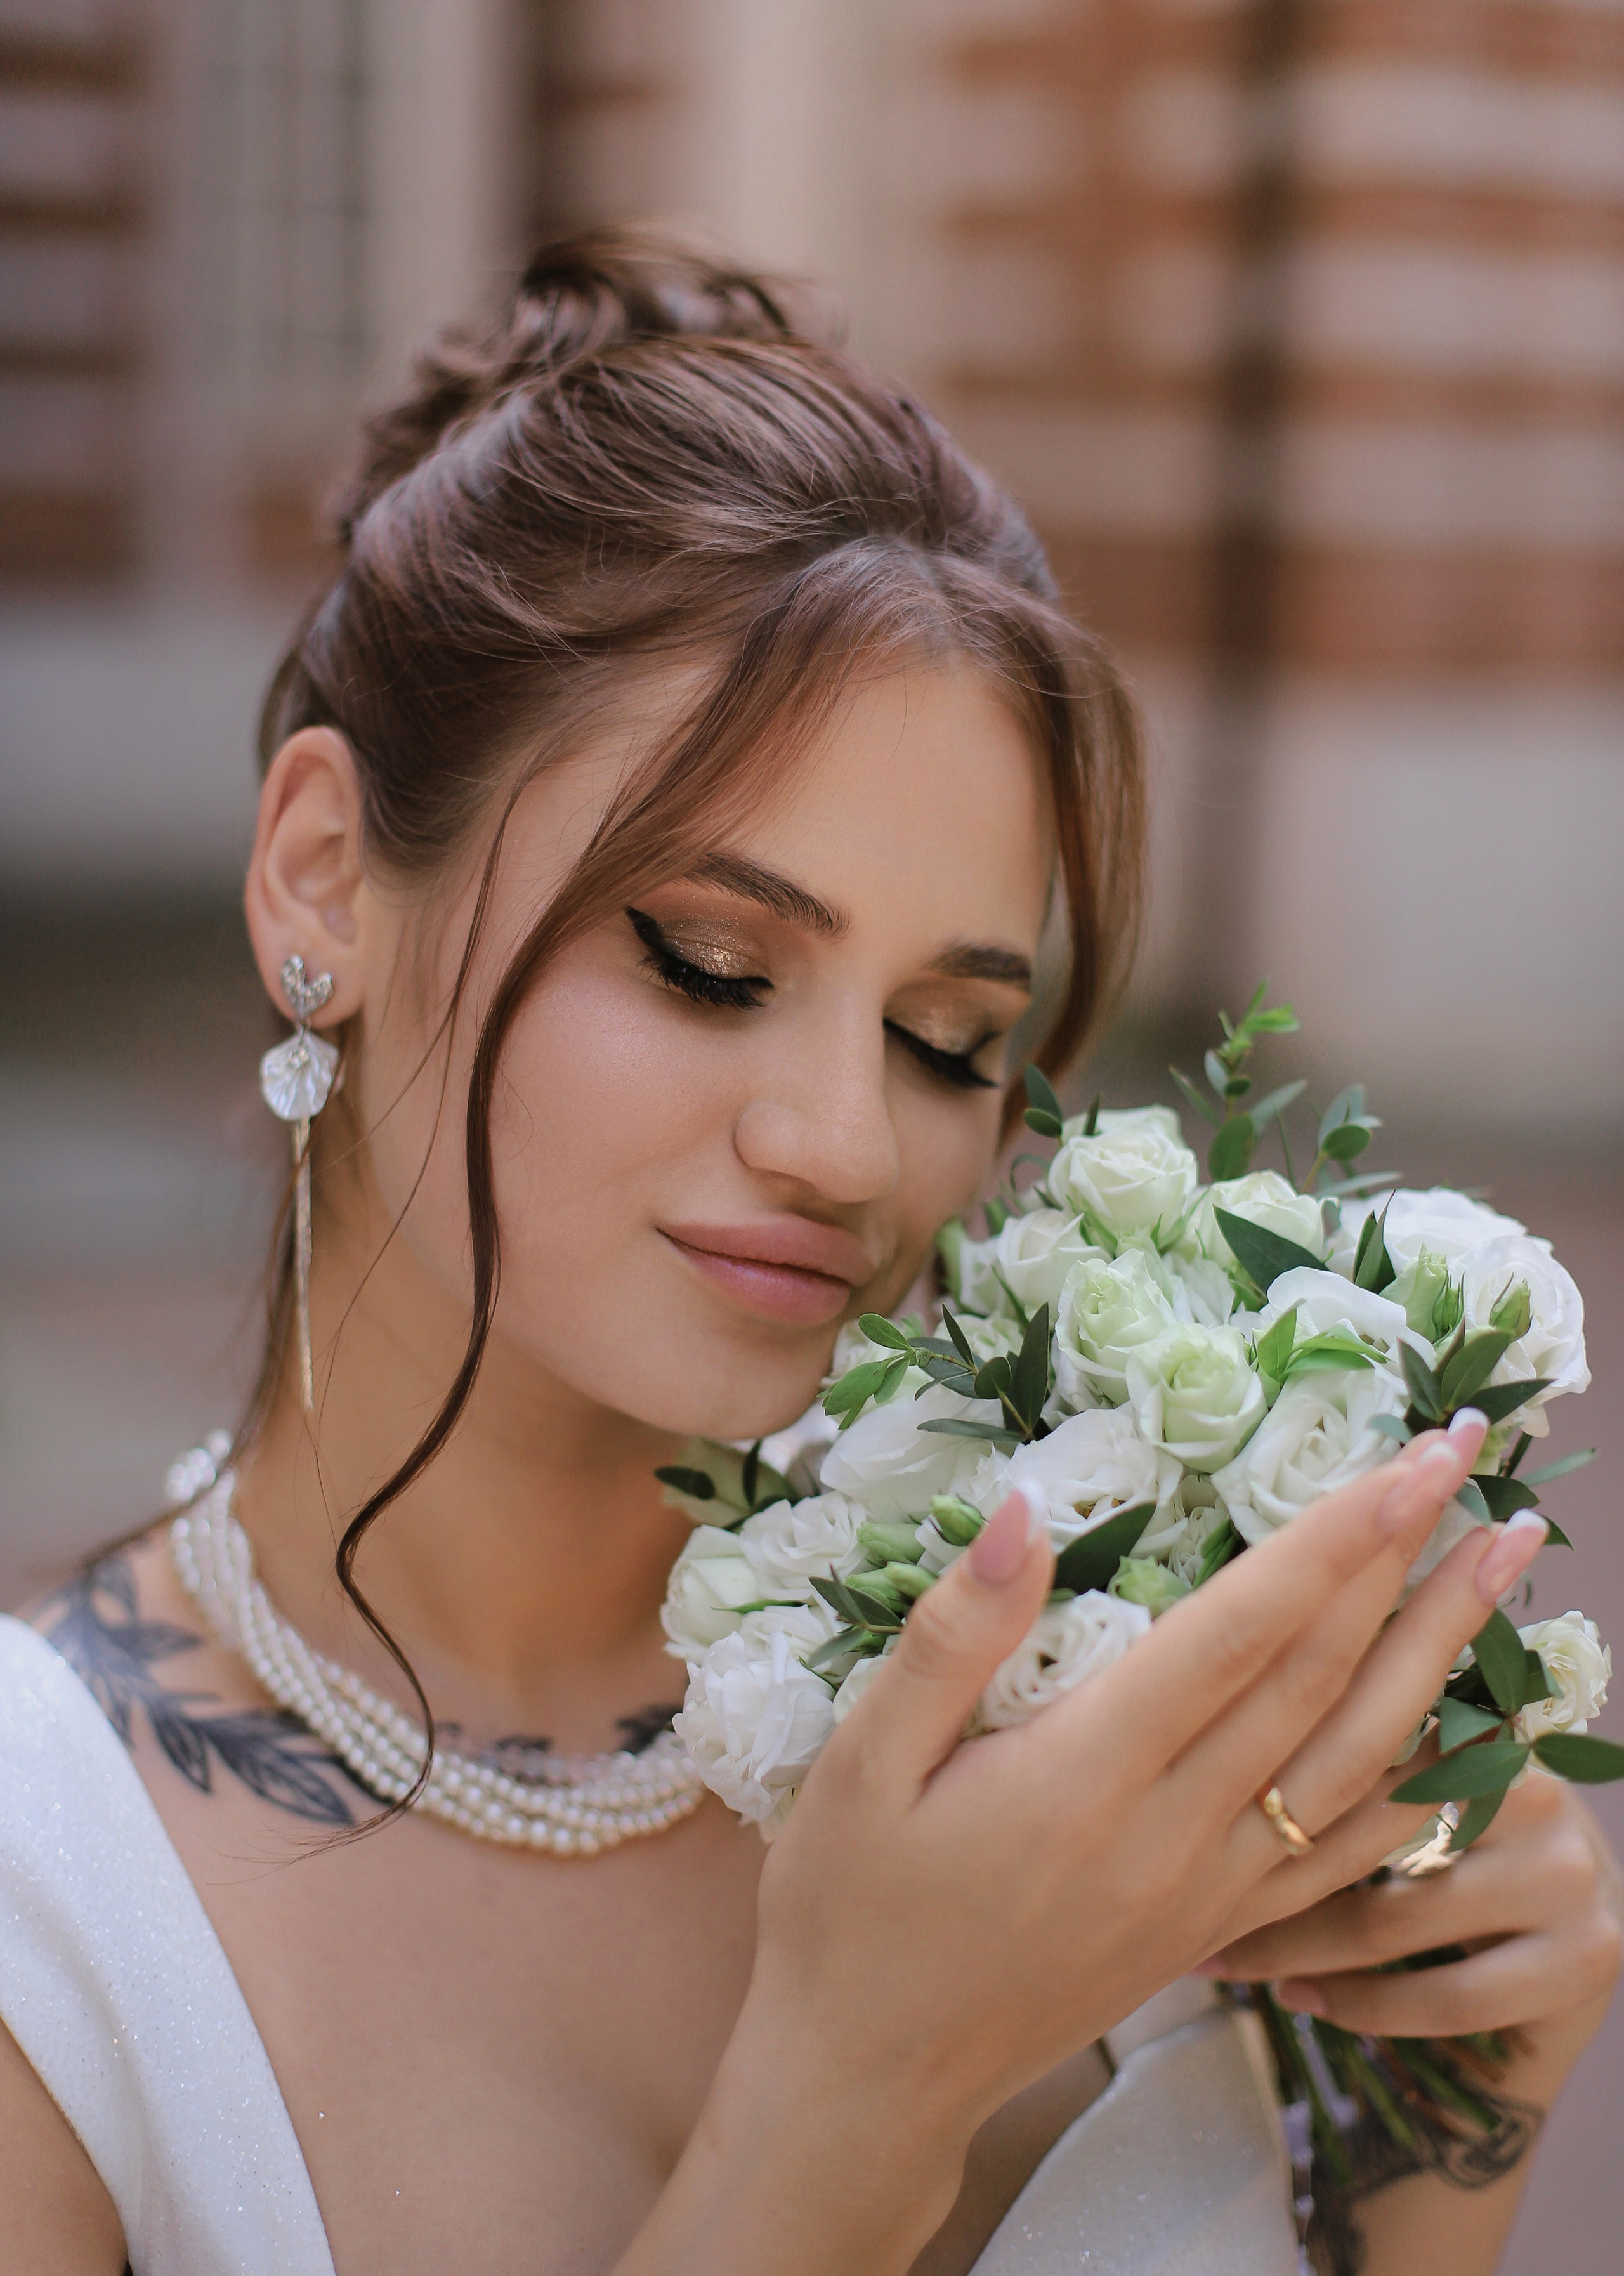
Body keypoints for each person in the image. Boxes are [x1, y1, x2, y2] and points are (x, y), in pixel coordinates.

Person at [0, 230, 1616, 2276]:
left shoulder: (1097, 1699)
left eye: (951, 1040)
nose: (848, 1143)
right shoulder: (47, 1912)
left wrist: (1432, 2140)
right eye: (708, 962)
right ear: (326, 878)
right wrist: (853, 2100)